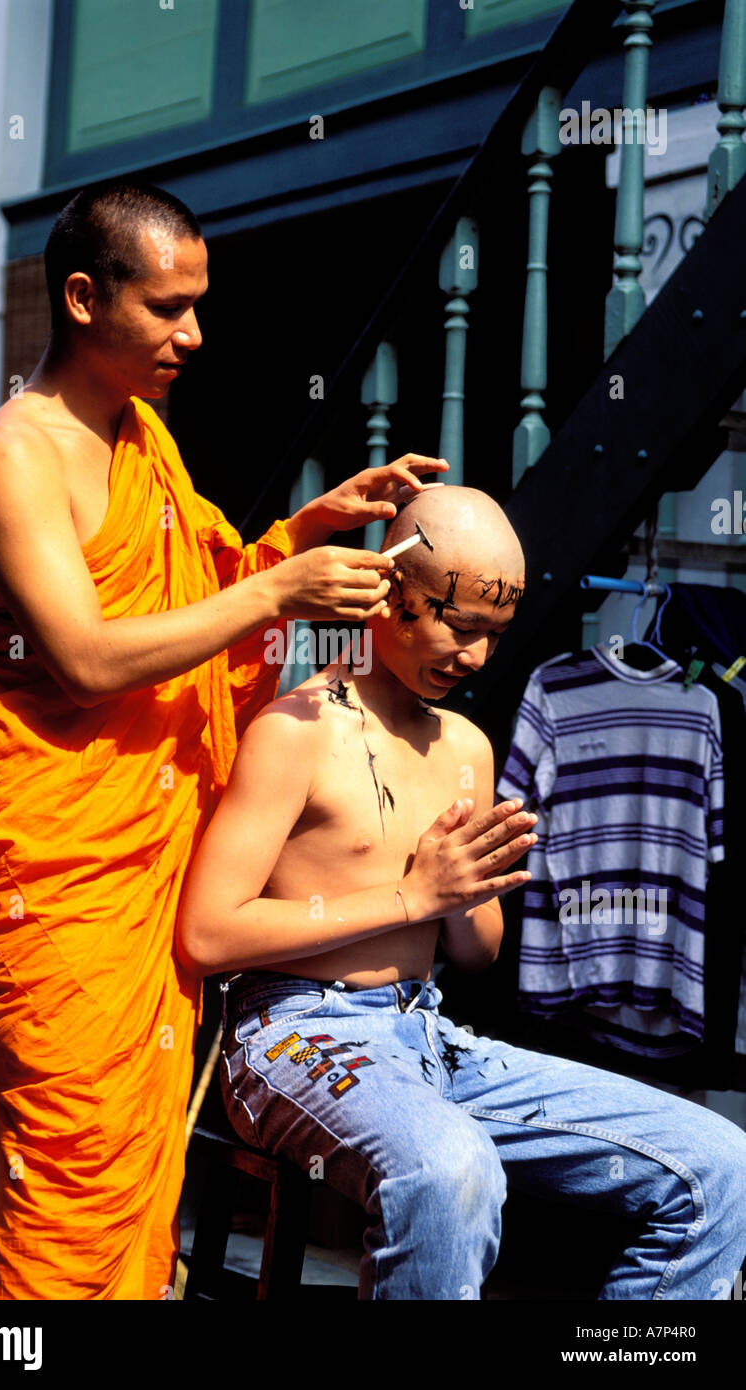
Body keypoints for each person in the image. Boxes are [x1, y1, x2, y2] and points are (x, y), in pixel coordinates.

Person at [0, 176, 448, 1300]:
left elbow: (188, 609)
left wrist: (301, 539)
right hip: (52, 880)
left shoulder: (142, 437)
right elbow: (86, 656)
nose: (194, 334)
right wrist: (280, 594)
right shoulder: (12, 458)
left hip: (141, 872)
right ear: (81, 297)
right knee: (70, 1176)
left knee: (132, 1182)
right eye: (168, 307)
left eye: (197, 304)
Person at [178, 484, 746, 1301]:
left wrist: (467, 891)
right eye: (459, 625)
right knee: (449, 1167)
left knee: (719, 1164)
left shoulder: (467, 748)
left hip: (430, 1036)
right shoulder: (294, 731)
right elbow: (206, 934)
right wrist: (410, 897)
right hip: (292, 1035)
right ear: (390, 593)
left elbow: (476, 952)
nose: (476, 656)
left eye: (493, 634)